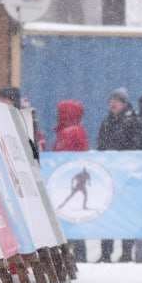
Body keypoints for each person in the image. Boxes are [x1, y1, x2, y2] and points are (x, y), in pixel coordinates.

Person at [97, 87, 142, 263]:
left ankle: (126, 252)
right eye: (111, 100)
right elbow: (101, 147)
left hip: (126, 176)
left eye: (117, 100)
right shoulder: (107, 123)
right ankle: (106, 252)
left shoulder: (132, 122)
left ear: (124, 103)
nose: (113, 103)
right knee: (108, 213)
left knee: (125, 213)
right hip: (110, 176)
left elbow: (136, 148)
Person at [51, 99, 90, 260]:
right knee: (73, 220)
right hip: (69, 181)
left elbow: (61, 157)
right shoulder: (76, 130)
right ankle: (77, 254)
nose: (57, 115)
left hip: (65, 182)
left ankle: (73, 255)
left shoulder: (70, 132)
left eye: (60, 112)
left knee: (68, 221)